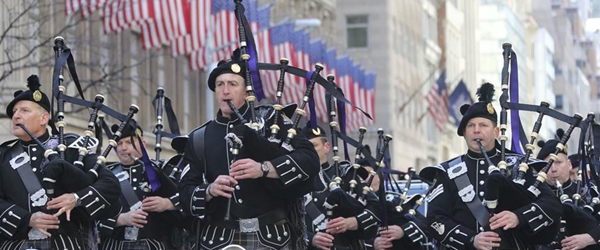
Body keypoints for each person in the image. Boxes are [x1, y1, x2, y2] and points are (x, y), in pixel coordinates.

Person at [178, 53, 320, 250]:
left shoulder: (272, 122)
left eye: (232, 84)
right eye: (220, 85)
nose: (225, 91)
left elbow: (310, 161)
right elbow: (185, 194)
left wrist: (264, 168)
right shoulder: (199, 137)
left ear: (246, 93)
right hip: (218, 240)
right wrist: (210, 190)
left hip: (271, 237)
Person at [420, 82, 562, 250]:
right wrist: (472, 239)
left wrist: (519, 217)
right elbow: (436, 219)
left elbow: (551, 204)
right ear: (464, 133)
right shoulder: (448, 172)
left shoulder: (519, 165)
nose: (476, 130)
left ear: (496, 132)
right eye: (471, 126)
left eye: (483, 125)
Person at [0, 74, 120, 249]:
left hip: (66, 243)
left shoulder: (73, 147)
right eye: (14, 112)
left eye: (24, 111)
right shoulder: (4, 156)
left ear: (44, 118)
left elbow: (110, 185)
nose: (16, 116)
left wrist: (76, 198)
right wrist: (27, 219)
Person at [98, 120, 186, 250]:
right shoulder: (106, 174)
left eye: (129, 142)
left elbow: (185, 206)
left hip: (152, 245)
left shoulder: (159, 172)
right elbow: (91, 216)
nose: (123, 148)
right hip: (114, 245)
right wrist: (121, 219)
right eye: (120, 143)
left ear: (143, 144)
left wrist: (166, 203)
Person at [536, 136, 600, 250]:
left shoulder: (589, 193)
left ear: (569, 164)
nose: (553, 169)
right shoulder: (535, 196)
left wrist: (589, 238)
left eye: (558, 162)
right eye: (548, 165)